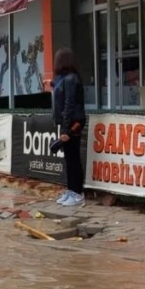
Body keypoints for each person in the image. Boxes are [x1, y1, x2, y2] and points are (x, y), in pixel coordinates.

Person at [52, 47, 87, 207]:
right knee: (68, 158)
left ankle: (78, 192)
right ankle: (71, 190)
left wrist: (66, 130)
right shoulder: (63, 79)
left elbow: (69, 104)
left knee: (73, 158)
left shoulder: (71, 79)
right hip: (68, 122)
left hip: (74, 123)